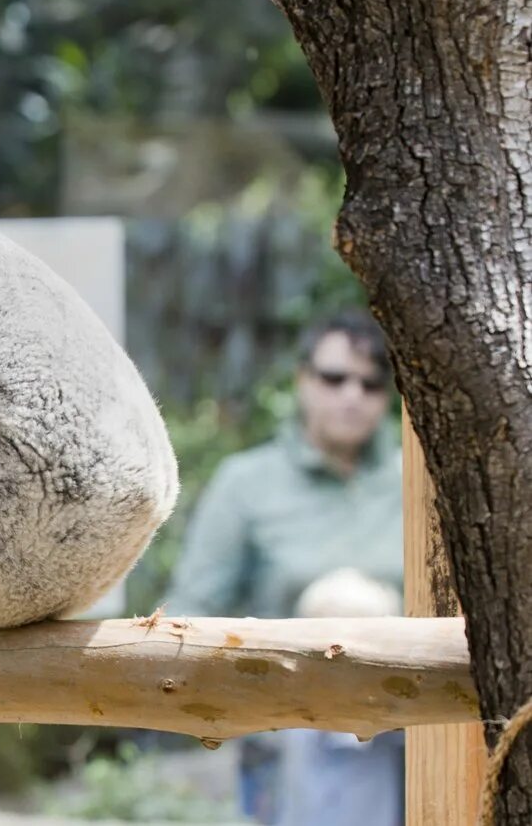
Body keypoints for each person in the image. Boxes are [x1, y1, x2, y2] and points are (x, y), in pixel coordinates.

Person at [161, 309, 403, 825]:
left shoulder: (420, 483)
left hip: (415, 730)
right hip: (290, 733)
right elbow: (189, 615)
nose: (352, 395)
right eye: (335, 378)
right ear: (302, 379)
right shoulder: (247, 483)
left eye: (371, 383)